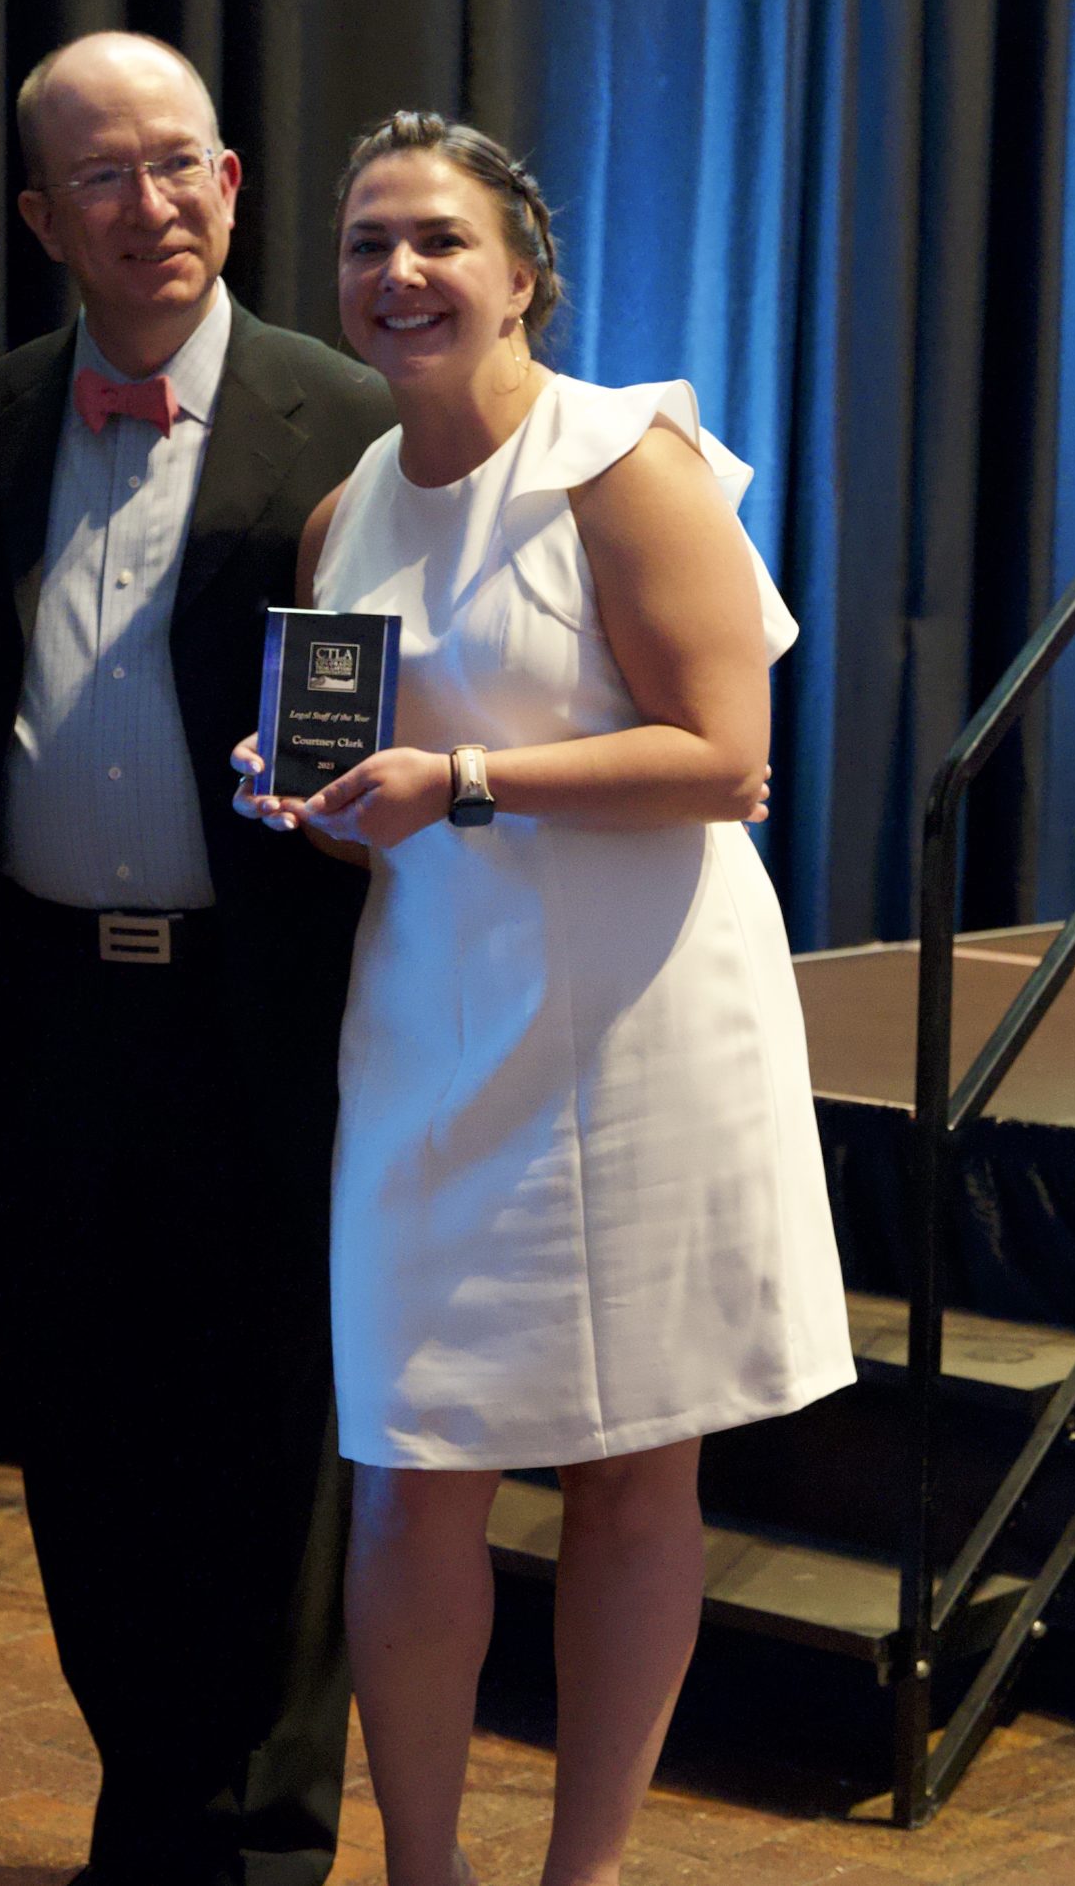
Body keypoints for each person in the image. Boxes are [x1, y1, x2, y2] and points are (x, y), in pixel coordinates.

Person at [234, 112, 854, 1886]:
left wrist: (463, 781)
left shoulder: (625, 456)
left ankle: (580, 1876)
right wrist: (316, 799)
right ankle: (424, 1872)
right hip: (434, 1016)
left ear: (522, 277)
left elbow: (727, 755)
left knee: (633, 1467)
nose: (398, 273)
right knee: (410, 1457)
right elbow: (385, 816)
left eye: (437, 240)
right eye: (365, 243)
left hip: (642, 1019)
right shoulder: (347, 506)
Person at [0, 31, 395, 1886]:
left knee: (278, 1452)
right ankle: (148, 1817)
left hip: (266, 1010)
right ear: (48, 215)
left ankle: (270, 1844)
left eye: (182, 165)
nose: (153, 207)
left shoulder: (354, 417)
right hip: (53, 1011)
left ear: (234, 185)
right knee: (88, 1435)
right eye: (106, 177)